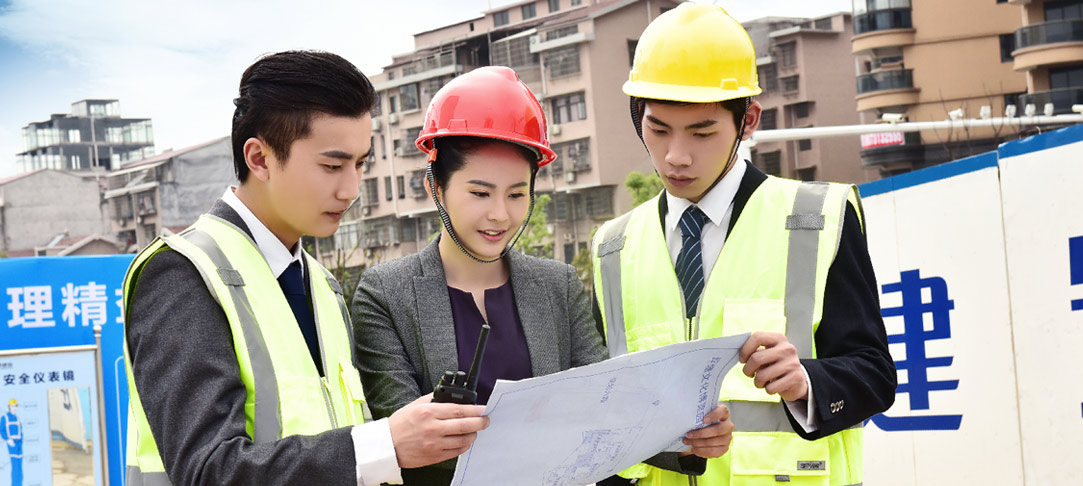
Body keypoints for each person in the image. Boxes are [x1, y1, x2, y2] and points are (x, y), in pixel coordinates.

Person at [351, 66, 734, 485]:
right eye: (480, 193)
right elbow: (406, 440)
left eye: (517, 194)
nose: (500, 214)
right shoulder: (385, 294)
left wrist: (683, 437)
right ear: (435, 187)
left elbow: (606, 405)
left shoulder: (557, 285)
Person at [122, 50, 488, 486]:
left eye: (360, 164)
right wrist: (384, 443)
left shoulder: (322, 286)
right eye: (332, 165)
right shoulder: (184, 274)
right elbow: (208, 470)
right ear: (259, 159)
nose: (351, 189)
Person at [591, 4, 897, 486]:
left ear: (748, 119)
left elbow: (875, 373)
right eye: (658, 129)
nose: (676, 156)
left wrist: (807, 383)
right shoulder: (612, 248)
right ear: (637, 117)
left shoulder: (818, 220)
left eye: (702, 131)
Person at [2, 399, 21, 486]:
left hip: (19, 444)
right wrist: (8, 439)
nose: (14, 408)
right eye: (12, 406)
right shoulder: (5, 417)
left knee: (19, 467)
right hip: (12, 444)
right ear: (9, 407)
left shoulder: (17, 418)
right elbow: (2, 430)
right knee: (15, 467)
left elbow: (21, 431)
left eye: (15, 406)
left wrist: (21, 443)